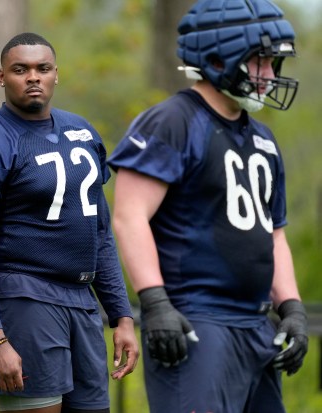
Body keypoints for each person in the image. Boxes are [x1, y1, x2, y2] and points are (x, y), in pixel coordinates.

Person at [107, 0, 308, 412]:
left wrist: (292, 308)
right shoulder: (172, 122)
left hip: (256, 324)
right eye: (260, 62)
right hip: (197, 321)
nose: (270, 76)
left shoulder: (264, 140)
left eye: (273, 63)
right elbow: (129, 217)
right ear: (219, 58)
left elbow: (274, 234)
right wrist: (156, 302)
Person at [0, 32, 139, 413]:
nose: (33, 77)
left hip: (82, 303)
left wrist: (122, 315)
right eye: (21, 69)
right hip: (25, 300)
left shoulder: (81, 133)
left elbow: (99, 233)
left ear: (56, 75)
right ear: (1, 77)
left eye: (42, 68)